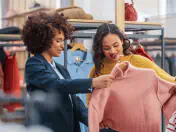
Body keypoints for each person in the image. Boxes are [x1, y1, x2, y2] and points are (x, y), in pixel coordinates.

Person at [22, 12, 115, 132]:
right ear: (44, 39)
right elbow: (55, 86)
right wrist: (92, 82)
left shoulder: (61, 69)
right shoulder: (34, 64)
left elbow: (75, 102)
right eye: (58, 41)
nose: (62, 46)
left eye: (63, 40)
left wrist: (96, 122)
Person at [86, 23, 176, 131]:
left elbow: (168, 79)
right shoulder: (97, 69)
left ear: (122, 42)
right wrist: (98, 119)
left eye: (116, 45)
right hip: (108, 129)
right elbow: (90, 101)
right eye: (107, 48)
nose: (113, 51)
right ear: (100, 48)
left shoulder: (137, 61)